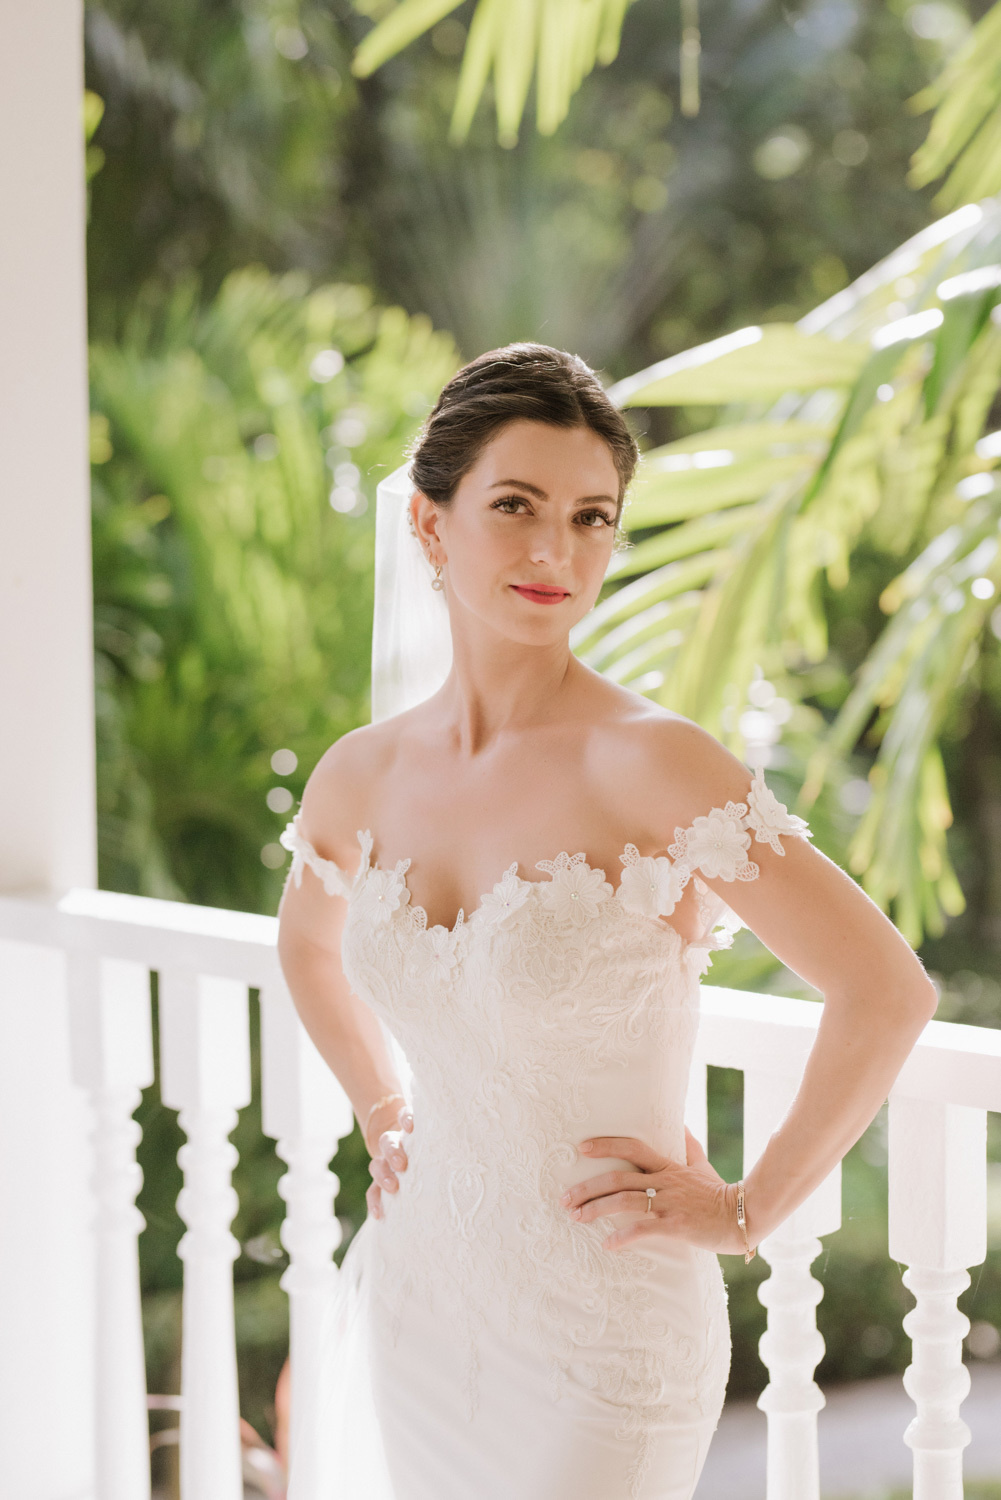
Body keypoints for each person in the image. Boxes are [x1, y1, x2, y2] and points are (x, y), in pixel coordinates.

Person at [276, 343, 938, 1500]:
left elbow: (885, 990)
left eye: (591, 518)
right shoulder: (360, 776)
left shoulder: (654, 763)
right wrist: (383, 1108)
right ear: (430, 525)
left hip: (604, 1334)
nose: (554, 551)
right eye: (515, 506)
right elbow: (306, 950)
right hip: (421, 1302)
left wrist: (748, 1207)